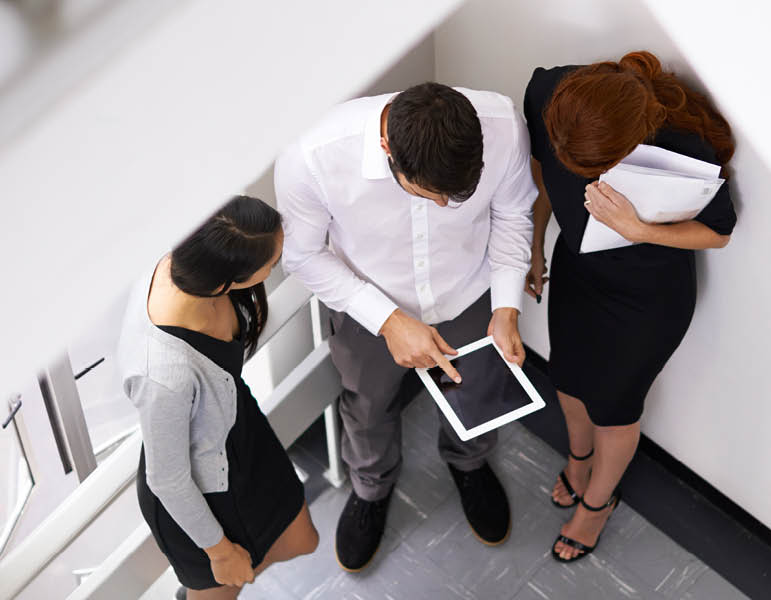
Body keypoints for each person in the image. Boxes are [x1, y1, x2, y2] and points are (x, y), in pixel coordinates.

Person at [275, 82, 536, 572]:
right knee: (367, 405)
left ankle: (470, 462)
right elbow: (302, 255)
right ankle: (371, 488)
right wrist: (388, 320)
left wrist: (506, 306)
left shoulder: (502, 125)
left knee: (476, 390)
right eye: (431, 195)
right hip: (367, 305)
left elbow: (513, 213)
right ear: (386, 149)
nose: (444, 207)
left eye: (456, 197)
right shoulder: (311, 156)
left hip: (468, 290)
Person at [522, 51, 738, 562]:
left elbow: (720, 233)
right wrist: (535, 242)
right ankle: (579, 459)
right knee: (567, 377)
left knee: (614, 407)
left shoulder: (681, 147)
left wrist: (638, 229)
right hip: (579, 271)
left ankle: (597, 504)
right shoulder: (547, 92)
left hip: (647, 300)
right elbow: (541, 171)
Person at [116, 196, 318, 599]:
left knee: (301, 541)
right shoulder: (165, 375)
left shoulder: (196, 263)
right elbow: (167, 479)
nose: (277, 264)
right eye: (272, 262)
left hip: (242, 438)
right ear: (229, 280)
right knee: (227, 585)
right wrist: (220, 552)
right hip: (204, 496)